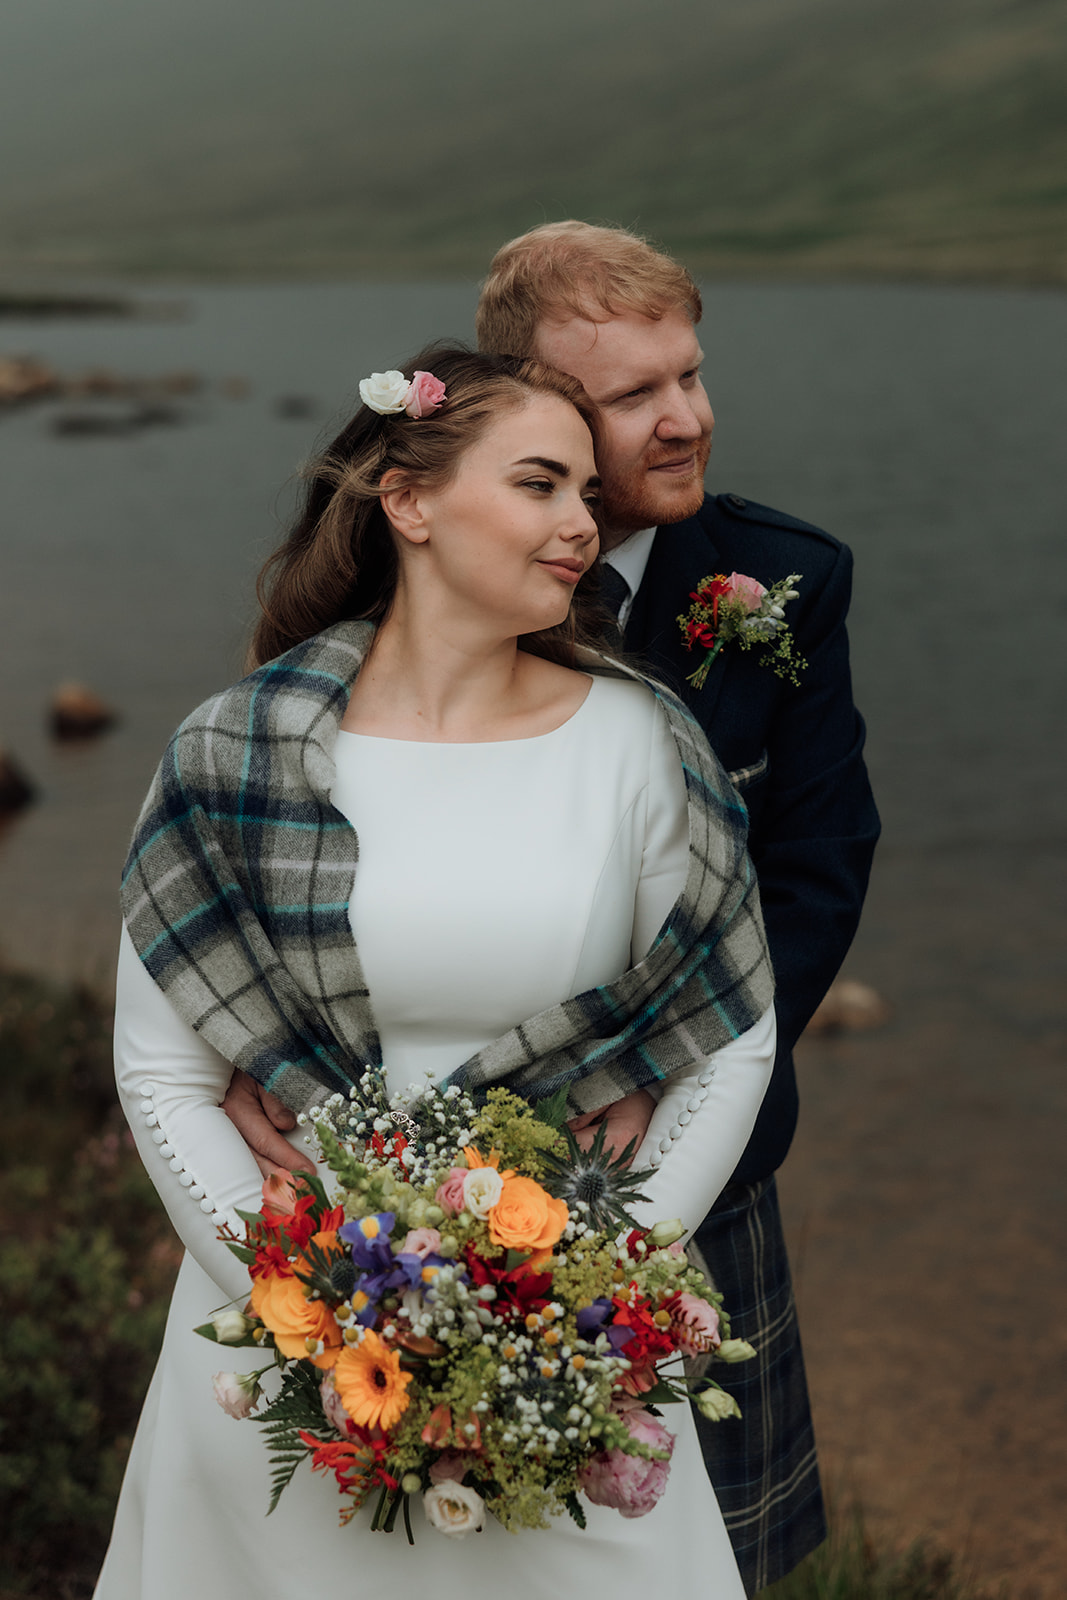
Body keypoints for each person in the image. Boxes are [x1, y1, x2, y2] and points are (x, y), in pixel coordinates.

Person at [227, 228, 882, 1593]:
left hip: (692, 1151)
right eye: (631, 396)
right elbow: (291, 847)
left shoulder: (777, 583)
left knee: (705, 1548)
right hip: (410, 1170)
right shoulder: (399, 591)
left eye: (689, 375)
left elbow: (816, 864)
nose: (685, 418)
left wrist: (669, 1070)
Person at [96, 347, 780, 1600]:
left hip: (572, 1363)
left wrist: (596, 1303)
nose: (580, 524)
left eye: (585, 491)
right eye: (537, 483)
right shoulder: (231, 749)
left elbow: (725, 1033)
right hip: (278, 1379)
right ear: (407, 501)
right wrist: (305, 1308)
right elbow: (162, 1068)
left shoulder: (640, 744)